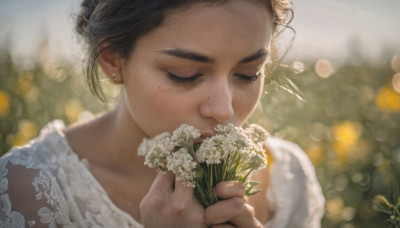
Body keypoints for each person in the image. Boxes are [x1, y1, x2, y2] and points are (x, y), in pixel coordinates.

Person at [0, 0, 325, 227]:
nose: (224, 111)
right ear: (112, 59)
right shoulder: (26, 191)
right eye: (184, 74)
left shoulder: (286, 179)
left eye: (249, 74)